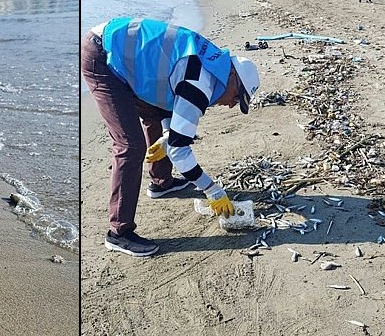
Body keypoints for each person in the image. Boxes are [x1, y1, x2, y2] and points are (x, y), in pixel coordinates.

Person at [81, 17, 260, 257]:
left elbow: (166, 97)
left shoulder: (210, 63)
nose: (231, 105)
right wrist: (213, 191)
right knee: (130, 146)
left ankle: (161, 183)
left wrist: (167, 134)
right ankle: (119, 234)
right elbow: (179, 150)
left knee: (157, 118)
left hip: (127, 55)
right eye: (237, 98)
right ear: (233, 78)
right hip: (104, 56)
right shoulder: (199, 84)